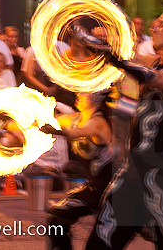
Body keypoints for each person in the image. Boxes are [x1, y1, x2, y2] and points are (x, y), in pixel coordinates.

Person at [82, 4, 163, 249]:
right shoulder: (154, 61)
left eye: (160, 22)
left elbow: (153, 77)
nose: (153, 26)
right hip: (132, 174)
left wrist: (114, 58)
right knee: (99, 244)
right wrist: (93, 43)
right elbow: (131, 60)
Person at [39, 92, 116, 249]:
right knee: (57, 216)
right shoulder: (74, 118)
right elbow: (46, 121)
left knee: (100, 242)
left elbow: (76, 132)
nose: (79, 94)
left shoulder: (97, 122)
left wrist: (57, 130)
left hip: (111, 190)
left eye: (85, 92)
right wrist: (4, 123)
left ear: (96, 98)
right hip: (93, 189)